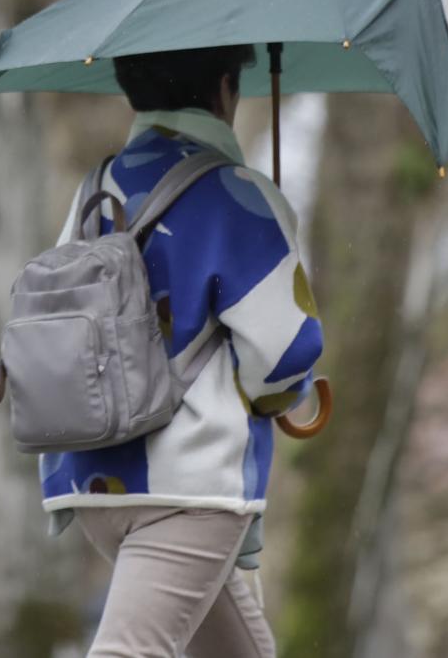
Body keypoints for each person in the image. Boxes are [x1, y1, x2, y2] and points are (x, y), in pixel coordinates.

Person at [42, 44, 325, 658]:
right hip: (189, 487)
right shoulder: (238, 192)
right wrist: (276, 399)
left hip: (93, 480)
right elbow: (287, 355)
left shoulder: (95, 187)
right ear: (226, 86)